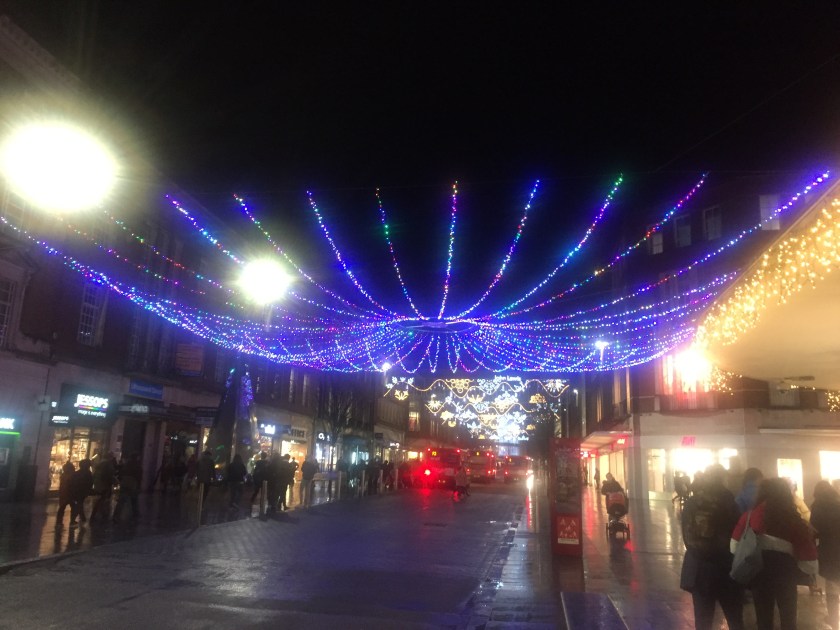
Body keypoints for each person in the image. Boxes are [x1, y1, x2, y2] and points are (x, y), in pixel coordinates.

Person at [731, 477, 818, 630]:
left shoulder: (750, 515)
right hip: (786, 572)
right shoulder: (792, 518)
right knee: (788, 617)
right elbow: (807, 552)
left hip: (758, 571)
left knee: (763, 617)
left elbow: (734, 546)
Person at [679, 464, 744, 630]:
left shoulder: (693, 502)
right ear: (723, 479)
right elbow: (738, 535)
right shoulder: (730, 502)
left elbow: (687, 535)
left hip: (699, 568)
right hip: (726, 567)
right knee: (735, 617)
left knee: (703, 619)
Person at [811, 480, 840, 629]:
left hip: (829, 551)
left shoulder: (817, 507)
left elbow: (814, 530)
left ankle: (834, 620)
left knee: (832, 586)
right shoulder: (838, 503)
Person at [113, 453, 142, 523]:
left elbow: (121, 472)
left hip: (125, 481)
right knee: (134, 499)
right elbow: (139, 475)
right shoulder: (137, 465)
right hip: (132, 482)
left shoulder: (127, 464)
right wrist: (139, 485)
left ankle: (116, 515)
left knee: (122, 499)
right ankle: (135, 513)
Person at [91, 451, 116, 520]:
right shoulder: (108, 464)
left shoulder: (100, 464)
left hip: (98, 484)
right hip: (105, 484)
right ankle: (102, 515)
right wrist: (114, 482)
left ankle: (97, 514)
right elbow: (109, 475)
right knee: (103, 499)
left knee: (101, 499)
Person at [69, 458, 93, 527]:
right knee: (79, 505)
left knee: (78, 505)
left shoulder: (76, 473)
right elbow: (90, 483)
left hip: (75, 492)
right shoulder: (88, 474)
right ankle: (79, 520)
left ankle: (79, 519)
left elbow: (71, 483)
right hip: (81, 492)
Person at [56, 460, 76, 525]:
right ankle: (72, 520)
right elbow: (71, 485)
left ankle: (59, 521)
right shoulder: (71, 476)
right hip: (69, 493)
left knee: (62, 508)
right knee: (73, 507)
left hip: (63, 493)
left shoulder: (63, 475)